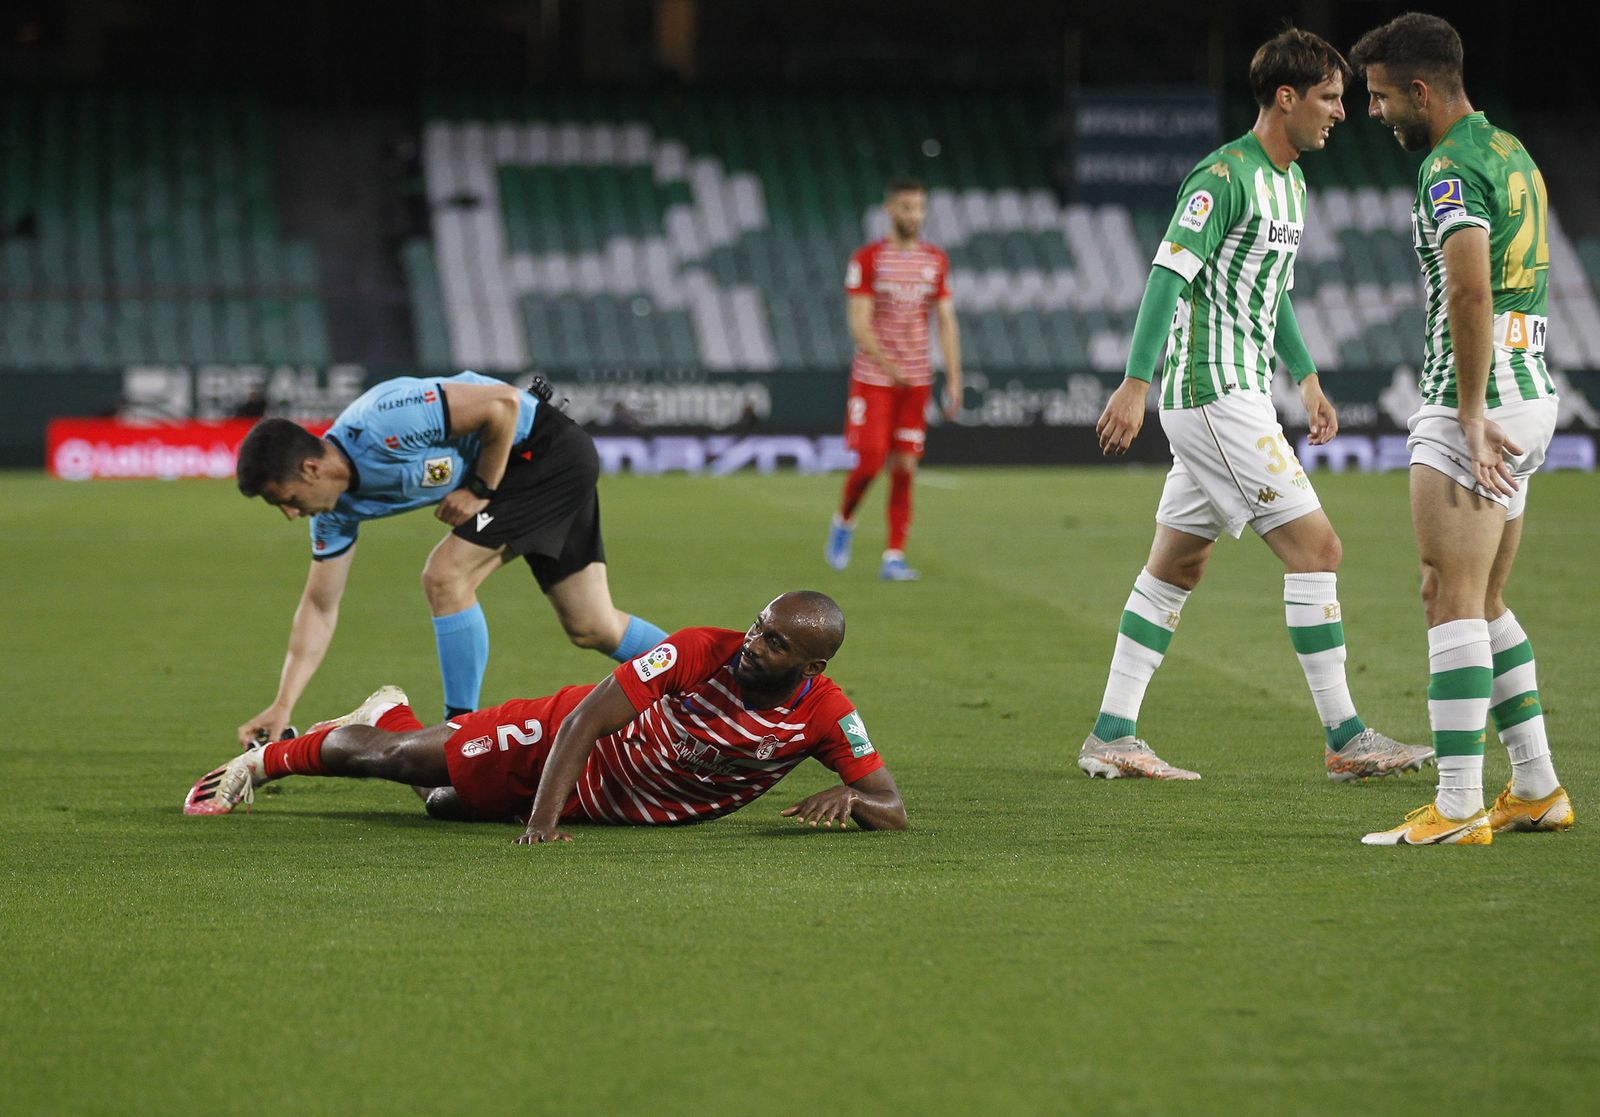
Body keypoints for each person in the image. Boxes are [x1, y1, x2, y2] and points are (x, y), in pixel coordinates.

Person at [1081, 28, 1433, 782]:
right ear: (1286, 96)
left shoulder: (1292, 184)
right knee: (1318, 550)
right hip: (1213, 393)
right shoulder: (1224, 177)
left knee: (1178, 564)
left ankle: (1111, 732)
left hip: (1240, 392)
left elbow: (1271, 294)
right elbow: (1166, 276)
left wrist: (1305, 377)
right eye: (1329, 97)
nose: (1341, 112)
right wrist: (1135, 381)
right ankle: (1347, 737)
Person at [1351, 15, 1573, 845]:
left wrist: (1470, 412)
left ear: (1421, 91)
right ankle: (1537, 787)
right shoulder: (1510, 150)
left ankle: (1454, 805)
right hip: (1532, 386)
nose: (1374, 112)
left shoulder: (1447, 167)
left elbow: (1471, 291)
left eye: (1381, 97)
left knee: (1449, 595)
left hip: (1477, 401)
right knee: (1480, 597)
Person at [185, 591, 908, 840]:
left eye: (775, 643)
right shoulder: (698, 650)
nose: (753, 643)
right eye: (758, 626)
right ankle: (261, 763)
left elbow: (892, 808)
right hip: (553, 741)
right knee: (393, 761)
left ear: (812, 667)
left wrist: (852, 797)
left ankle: (389, 709)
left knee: (439, 803)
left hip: (598, 800)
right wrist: (542, 822)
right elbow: (585, 721)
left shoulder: (826, 715)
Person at [233, 371, 668, 747]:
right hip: (529, 476)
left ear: (310, 469)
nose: (290, 514)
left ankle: (458, 733)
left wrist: (479, 489)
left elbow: (503, 403)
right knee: (593, 626)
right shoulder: (333, 514)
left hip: (542, 453)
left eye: (286, 499)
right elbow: (319, 606)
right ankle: (699, 678)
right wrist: (283, 704)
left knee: (445, 576)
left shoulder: (382, 422)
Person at [825, 178, 962, 582]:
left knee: (904, 467)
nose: (913, 215)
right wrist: (890, 366)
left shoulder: (935, 260)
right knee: (870, 462)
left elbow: (946, 321)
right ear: (889, 209)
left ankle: (893, 556)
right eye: (906, 207)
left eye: (918, 207)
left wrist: (954, 378)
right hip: (874, 380)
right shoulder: (868, 259)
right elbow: (859, 324)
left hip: (916, 382)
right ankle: (844, 520)